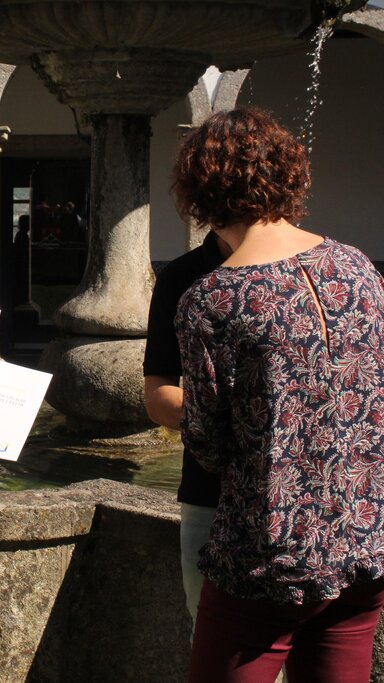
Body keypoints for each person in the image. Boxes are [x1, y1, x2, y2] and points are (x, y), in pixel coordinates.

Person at [173, 107, 384, 683]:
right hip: (363, 540)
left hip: (266, 555)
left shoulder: (212, 299)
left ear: (201, 191)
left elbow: (208, 446)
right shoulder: (358, 268)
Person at [143, 229, 230, 626]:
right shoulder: (184, 278)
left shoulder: (329, 268)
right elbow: (158, 395)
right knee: (213, 634)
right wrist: (247, 427)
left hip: (313, 495)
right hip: (209, 491)